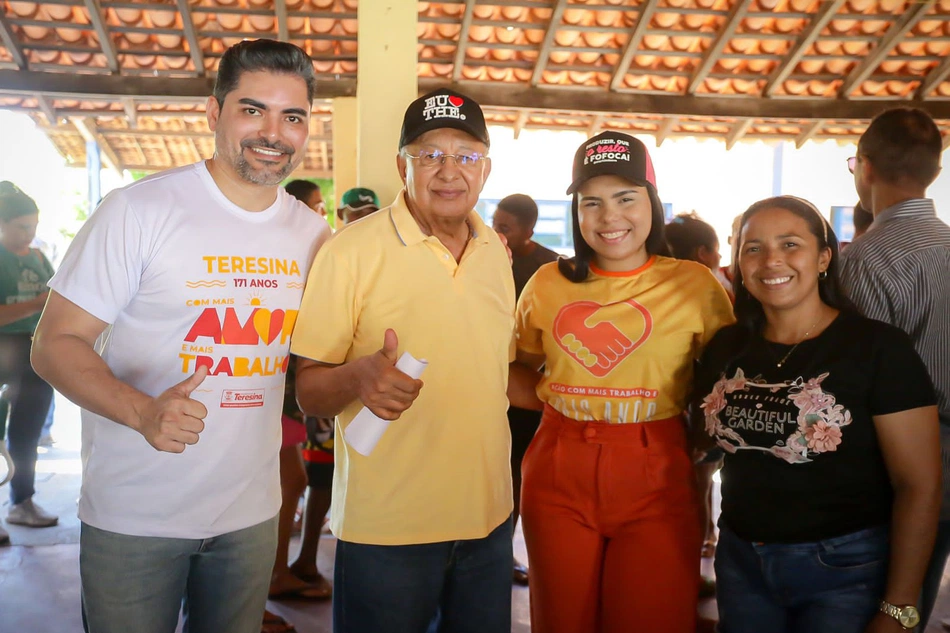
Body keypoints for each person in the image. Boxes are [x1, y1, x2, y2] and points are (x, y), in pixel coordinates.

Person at [29, 39, 331, 633]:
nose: (274, 132)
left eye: (291, 116)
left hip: (250, 515)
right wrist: (142, 411)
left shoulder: (313, 235)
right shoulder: (139, 211)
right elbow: (55, 343)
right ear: (215, 113)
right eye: (253, 110)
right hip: (135, 514)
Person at [290, 88, 515, 633]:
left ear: (484, 169)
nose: (447, 171)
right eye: (428, 155)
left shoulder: (495, 253)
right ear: (401, 166)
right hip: (387, 527)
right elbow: (308, 393)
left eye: (464, 156)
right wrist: (358, 374)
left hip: (489, 517)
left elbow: (493, 374)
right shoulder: (349, 251)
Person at [507, 131, 735, 633]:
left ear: (651, 201)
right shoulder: (548, 282)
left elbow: (726, 382)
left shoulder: (694, 284)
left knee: (651, 619)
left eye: (625, 198)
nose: (610, 217)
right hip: (556, 469)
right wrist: (554, 400)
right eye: (592, 202)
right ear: (577, 211)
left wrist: (698, 436)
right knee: (561, 622)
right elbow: (515, 372)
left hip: (658, 470)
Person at [695, 195, 940, 633]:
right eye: (753, 248)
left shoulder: (877, 348)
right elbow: (698, 441)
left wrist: (899, 606)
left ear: (824, 256)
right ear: (739, 263)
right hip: (741, 562)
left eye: (790, 244)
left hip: (845, 569)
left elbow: (919, 485)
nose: (771, 260)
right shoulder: (726, 347)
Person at [840, 107, 950, 631]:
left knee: (883, 604)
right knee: (915, 603)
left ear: (864, 167)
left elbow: (857, 380)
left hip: (897, 466)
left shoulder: (868, 258)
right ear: (935, 169)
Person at [490, 192, 558, 585]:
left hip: (525, 386)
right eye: (495, 223)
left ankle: (503, 554)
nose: (496, 232)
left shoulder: (548, 268)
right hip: (485, 379)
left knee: (515, 470)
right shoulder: (482, 254)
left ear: (529, 232)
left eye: (505, 228)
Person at [0, 182, 56, 544]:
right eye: (21, 226)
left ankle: (23, 501)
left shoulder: (38, 257)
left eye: (33, 225)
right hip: (3, 347)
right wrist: (38, 303)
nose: (29, 233)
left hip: (34, 352)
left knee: (27, 433)